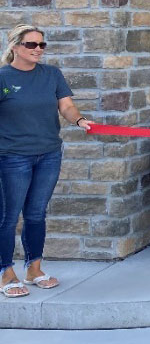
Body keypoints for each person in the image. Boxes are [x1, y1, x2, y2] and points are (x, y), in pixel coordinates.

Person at [0, 25, 92, 299]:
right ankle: (6, 271)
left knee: (36, 213)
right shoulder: (3, 77)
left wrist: (79, 119)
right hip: (12, 157)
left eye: (42, 45)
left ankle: (34, 269)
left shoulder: (51, 74)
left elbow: (65, 106)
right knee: (7, 217)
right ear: (15, 47)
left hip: (49, 154)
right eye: (31, 45)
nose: (38, 49)